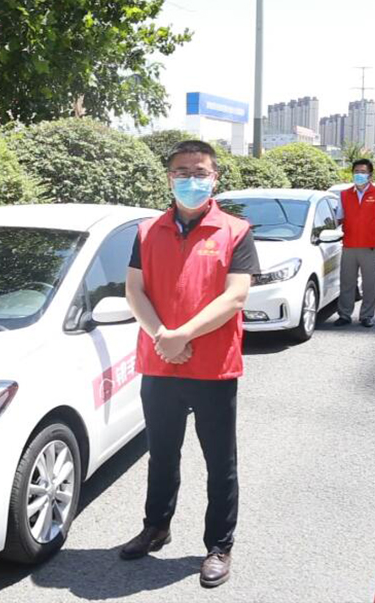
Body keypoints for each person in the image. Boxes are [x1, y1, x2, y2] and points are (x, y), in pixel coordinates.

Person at [120, 140, 260, 589]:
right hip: (159, 363)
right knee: (161, 454)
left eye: (200, 172)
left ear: (214, 178)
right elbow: (134, 291)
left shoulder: (235, 231)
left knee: (220, 461)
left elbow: (235, 296)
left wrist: (182, 335)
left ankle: (219, 546)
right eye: (182, 172)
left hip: (213, 368)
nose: (191, 180)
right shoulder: (147, 231)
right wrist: (163, 336)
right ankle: (155, 527)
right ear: (169, 178)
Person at [333, 158, 375, 328]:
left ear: (370, 175)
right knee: (347, 282)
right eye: (356, 172)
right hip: (349, 245)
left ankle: (367, 315)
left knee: (370, 283)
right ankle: (344, 314)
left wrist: (371, 230)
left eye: (363, 172)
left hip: (370, 246)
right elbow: (339, 218)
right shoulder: (344, 194)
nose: (359, 175)